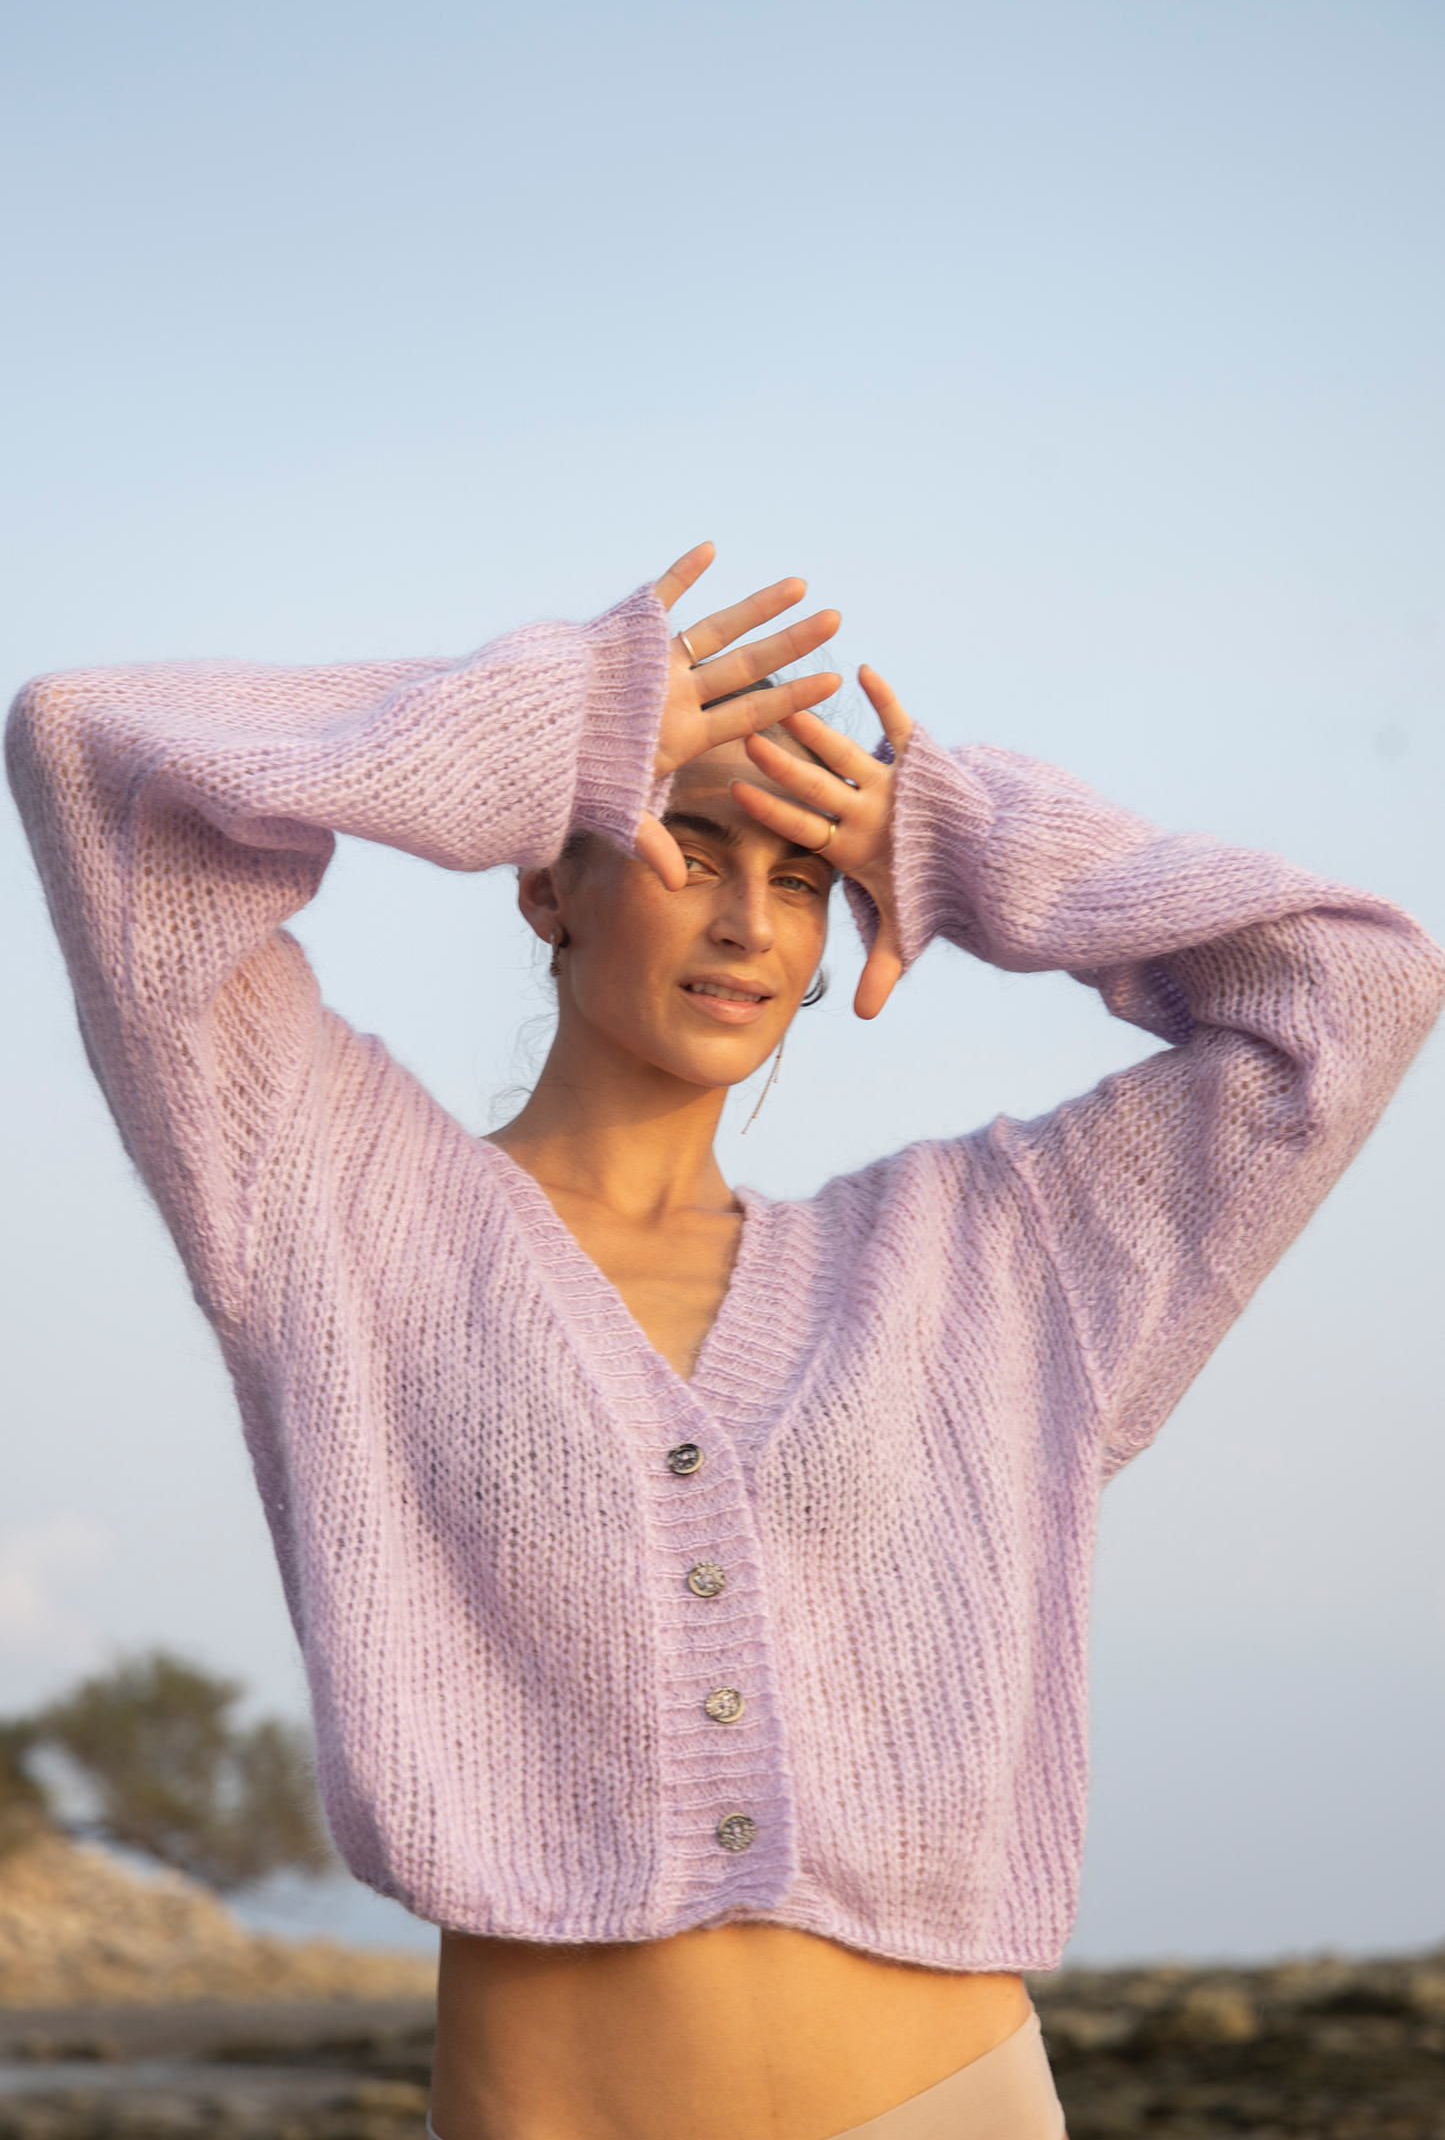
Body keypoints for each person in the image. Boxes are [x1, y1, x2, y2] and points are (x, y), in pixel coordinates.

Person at [7, 541, 1442, 2140]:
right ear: (549, 878)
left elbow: (1350, 989)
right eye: (688, 844)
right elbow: (95, 750)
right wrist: (547, 723)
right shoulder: (332, 1207)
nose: (754, 919)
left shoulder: (992, 1261)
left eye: (808, 873)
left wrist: (966, 848)